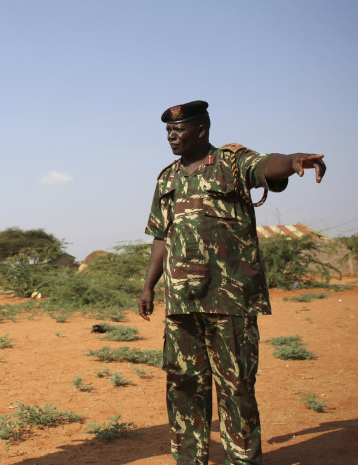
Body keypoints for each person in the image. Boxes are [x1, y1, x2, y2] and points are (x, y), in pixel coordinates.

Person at [138, 100, 326, 465]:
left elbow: (267, 166)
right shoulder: (167, 177)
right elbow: (161, 236)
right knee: (182, 386)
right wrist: (149, 285)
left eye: (178, 130)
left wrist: (293, 161)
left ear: (202, 131)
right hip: (181, 304)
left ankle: (242, 460)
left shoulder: (231, 162)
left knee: (236, 386)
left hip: (230, 301)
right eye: (167, 131)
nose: (171, 136)